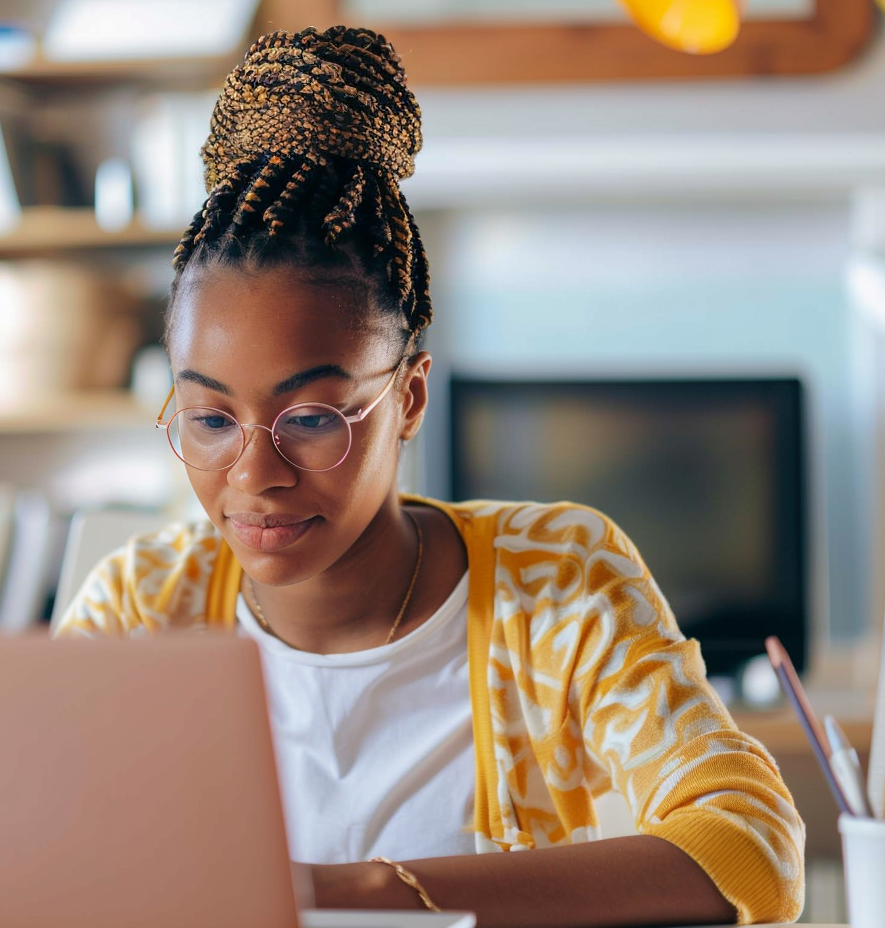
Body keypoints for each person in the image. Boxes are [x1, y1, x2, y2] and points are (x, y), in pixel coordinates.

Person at [53, 25, 803, 928]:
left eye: (311, 418)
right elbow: (40, 856)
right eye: (211, 419)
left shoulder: (556, 582)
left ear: (408, 398)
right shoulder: (143, 607)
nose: (253, 474)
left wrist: (358, 893)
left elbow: (753, 851)